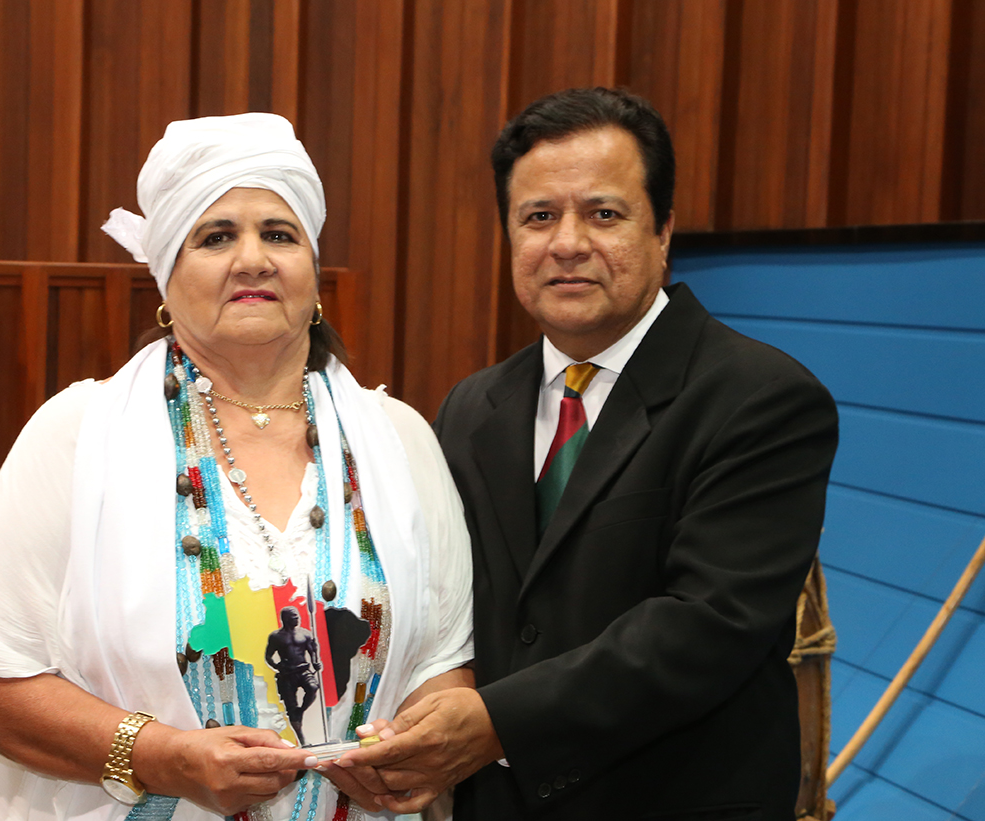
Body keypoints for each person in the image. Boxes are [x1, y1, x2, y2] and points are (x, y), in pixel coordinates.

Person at [0, 112, 473, 821]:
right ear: (165, 276)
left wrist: (416, 744)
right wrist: (160, 757)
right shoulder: (80, 434)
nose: (253, 259)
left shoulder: (399, 438)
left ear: (313, 273)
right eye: (216, 237)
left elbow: (442, 661)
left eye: (279, 234)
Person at [334, 88, 839, 820]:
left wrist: (496, 721)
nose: (566, 243)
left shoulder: (760, 398)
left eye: (603, 214)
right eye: (538, 217)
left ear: (663, 230)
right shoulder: (472, 406)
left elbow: (708, 625)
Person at [265, 606, 322, 745]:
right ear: (285, 619)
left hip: (303, 670)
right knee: (291, 707)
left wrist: (315, 662)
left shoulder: (305, 634)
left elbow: (312, 651)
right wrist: (277, 666)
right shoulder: (276, 636)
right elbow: (268, 656)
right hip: (287, 674)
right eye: (294, 617)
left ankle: (300, 711)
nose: (298, 619)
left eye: (298, 617)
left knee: (313, 688)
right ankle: (302, 740)